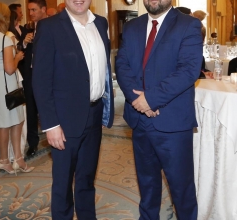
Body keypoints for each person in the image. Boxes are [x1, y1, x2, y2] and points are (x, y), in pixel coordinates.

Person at [115, 0, 203, 219]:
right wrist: (140, 101)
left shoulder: (188, 25)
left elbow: (188, 71)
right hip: (139, 121)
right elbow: (122, 65)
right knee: (147, 185)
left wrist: (151, 100)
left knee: (181, 189)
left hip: (172, 122)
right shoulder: (132, 27)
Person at [32, 0, 114, 219]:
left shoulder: (101, 24)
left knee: (87, 179)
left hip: (95, 113)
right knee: (63, 183)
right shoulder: (49, 27)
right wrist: (50, 124)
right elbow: (40, 80)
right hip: (64, 120)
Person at [0, 3, 34, 175]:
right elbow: (10, 68)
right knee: (18, 121)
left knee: (3, 124)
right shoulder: (4, 39)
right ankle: (17, 159)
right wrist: (18, 57)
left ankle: (4, 160)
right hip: (8, 84)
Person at [20, 0, 47, 157]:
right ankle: (33, 143)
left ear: (43, 9)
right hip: (30, 77)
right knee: (31, 110)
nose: (31, 13)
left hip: (48, 77)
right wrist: (24, 42)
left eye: (34, 10)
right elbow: (20, 51)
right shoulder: (27, 30)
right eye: (29, 10)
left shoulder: (54, 28)